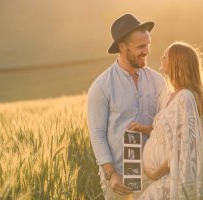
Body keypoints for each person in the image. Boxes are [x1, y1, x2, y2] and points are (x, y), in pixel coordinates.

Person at [87, 14, 167, 199]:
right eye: (140, 46)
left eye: (148, 44)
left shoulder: (158, 81)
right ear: (122, 47)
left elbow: (167, 125)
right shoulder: (101, 87)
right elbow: (97, 134)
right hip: (120, 177)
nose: (147, 51)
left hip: (154, 171)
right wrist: (111, 174)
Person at [130, 42, 203, 199]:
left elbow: (184, 147)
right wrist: (145, 129)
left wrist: (155, 173)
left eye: (165, 56)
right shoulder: (171, 95)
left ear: (177, 62)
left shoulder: (185, 97)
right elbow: (170, 133)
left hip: (168, 181)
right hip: (156, 180)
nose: (161, 57)